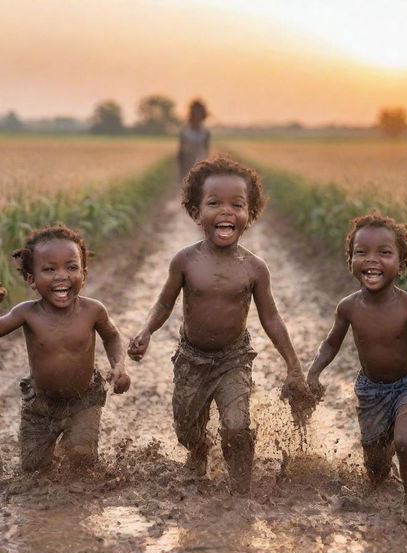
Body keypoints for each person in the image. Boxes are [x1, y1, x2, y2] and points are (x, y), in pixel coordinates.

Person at [128, 155, 310, 494]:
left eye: (237, 204)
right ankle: (197, 452)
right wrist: (146, 330)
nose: (226, 211)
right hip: (191, 359)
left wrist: (293, 364)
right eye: (214, 203)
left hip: (233, 359)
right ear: (197, 214)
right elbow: (164, 302)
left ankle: (241, 487)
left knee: (237, 425)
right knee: (186, 427)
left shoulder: (255, 268)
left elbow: (271, 317)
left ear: (249, 215)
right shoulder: (185, 261)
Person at [306, 210, 407, 526]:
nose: (372, 260)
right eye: (362, 252)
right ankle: (383, 471)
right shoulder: (348, 307)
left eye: (384, 253)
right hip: (371, 390)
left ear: (402, 264)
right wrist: (314, 371)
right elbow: (331, 343)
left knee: (406, 440)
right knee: (376, 465)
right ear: (350, 262)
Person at [0, 224, 131, 472]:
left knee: (82, 461)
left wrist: (118, 366)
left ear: (84, 273)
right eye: (49, 269)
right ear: (31, 279)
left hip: (84, 401)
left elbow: (113, 337)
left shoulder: (93, 310)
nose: (61, 275)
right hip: (40, 406)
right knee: (34, 470)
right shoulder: (27, 312)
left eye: (71, 267)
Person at [177, 99, 210, 181]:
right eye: (195, 112)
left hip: (200, 166)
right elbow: (180, 151)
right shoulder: (185, 131)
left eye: (199, 112)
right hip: (186, 166)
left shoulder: (206, 132)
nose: (197, 115)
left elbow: (206, 151)